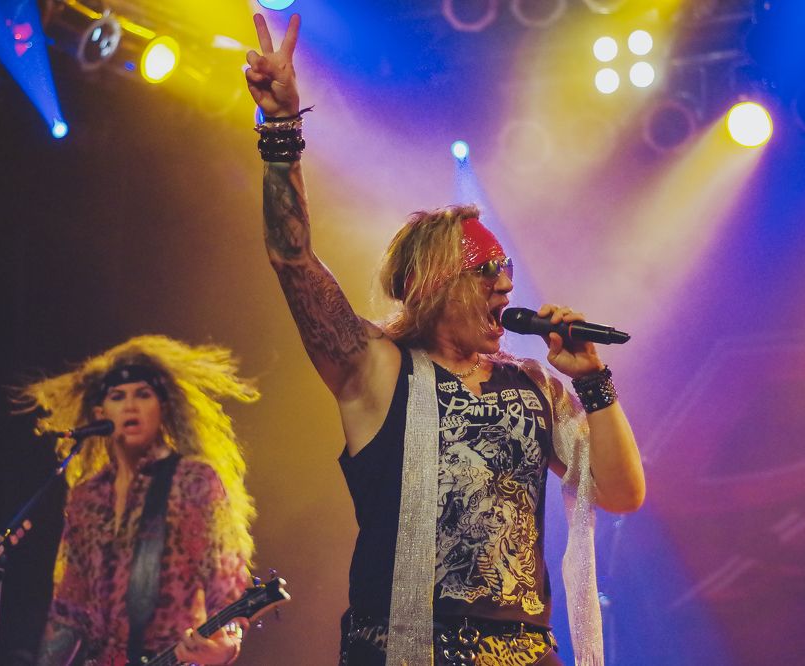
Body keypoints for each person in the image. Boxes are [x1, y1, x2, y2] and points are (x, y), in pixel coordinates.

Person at [244, 13, 645, 666]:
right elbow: (293, 259)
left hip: (524, 652)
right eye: (486, 272)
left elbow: (623, 493)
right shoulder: (376, 368)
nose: (505, 286)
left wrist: (594, 382)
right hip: (406, 650)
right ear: (433, 283)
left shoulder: (533, 384)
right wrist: (281, 128)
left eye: (506, 272)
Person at [16, 335, 258, 666]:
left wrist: (226, 645)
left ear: (164, 407)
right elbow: (69, 612)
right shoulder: (88, 497)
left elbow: (226, 586)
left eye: (143, 394)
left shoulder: (192, 482)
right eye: (118, 396)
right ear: (100, 413)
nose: (130, 406)